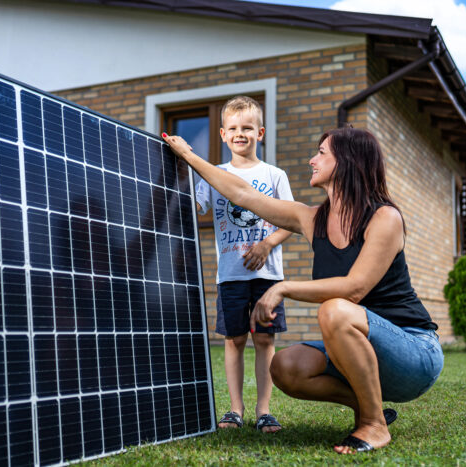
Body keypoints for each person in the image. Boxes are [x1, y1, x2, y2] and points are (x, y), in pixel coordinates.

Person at [162, 126, 443, 454]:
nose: (312, 160)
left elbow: (354, 289)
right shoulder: (312, 219)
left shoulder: (384, 218)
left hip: (412, 353)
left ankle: (374, 426)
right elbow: (243, 195)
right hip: (359, 352)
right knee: (284, 366)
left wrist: (282, 288)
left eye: (322, 152)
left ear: (348, 161)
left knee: (334, 309)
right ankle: (372, 406)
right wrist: (188, 155)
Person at [192, 96, 294, 433]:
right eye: (233, 128)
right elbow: (194, 207)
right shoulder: (214, 175)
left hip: (268, 276)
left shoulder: (274, 175)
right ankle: (235, 410)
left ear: (260, 132)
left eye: (247, 128)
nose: (240, 133)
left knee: (264, 340)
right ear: (222, 134)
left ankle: (263, 410)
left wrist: (266, 244)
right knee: (234, 340)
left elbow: (290, 222)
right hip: (231, 276)